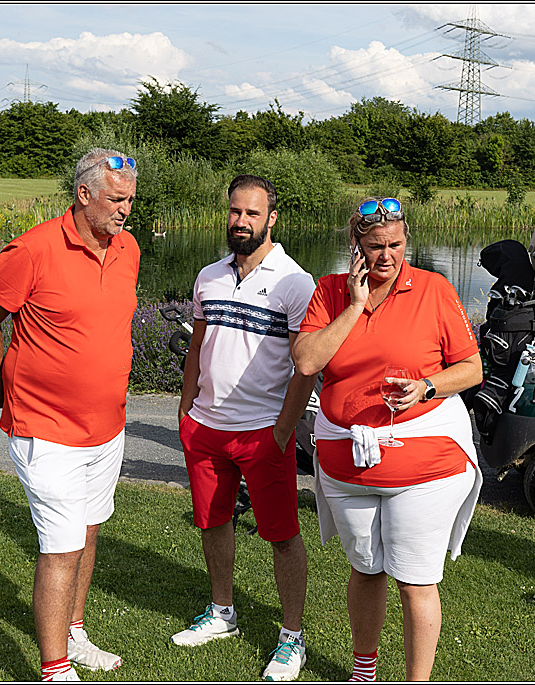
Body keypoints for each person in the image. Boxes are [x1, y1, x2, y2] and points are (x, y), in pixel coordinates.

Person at [293, 197, 484, 681]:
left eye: (395, 245)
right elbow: (308, 361)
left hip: (424, 466)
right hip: (347, 465)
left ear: (406, 242)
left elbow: (471, 368)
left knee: (414, 581)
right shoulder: (331, 290)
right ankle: (364, 670)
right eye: (375, 246)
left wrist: (426, 387)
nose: (386, 257)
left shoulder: (434, 289)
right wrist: (355, 306)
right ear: (355, 245)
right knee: (366, 568)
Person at [0, 149, 140, 681]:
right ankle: (54, 668)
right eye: (116, 199)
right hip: (46, 429)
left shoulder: (128, 248)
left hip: (107, 427)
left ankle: (74, 632)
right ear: (84, 195)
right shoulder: (34, 250)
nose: (125, 210)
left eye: (131, 200)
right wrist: (3, 388)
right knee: (61, 549)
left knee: (88, 531)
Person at [170, 174, 317, 683]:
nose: (241, 222)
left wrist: (283, 431)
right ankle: (223, 612)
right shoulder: (209, 275)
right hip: (206, 428)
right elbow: (198, 346)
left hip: (263, 432)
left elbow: (307, 366)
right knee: (212, 522)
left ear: (271, 219)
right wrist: (186, 409)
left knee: (282, 536)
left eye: (253, 214)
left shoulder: (295, 282)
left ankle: (292, 638)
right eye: (235, 212)